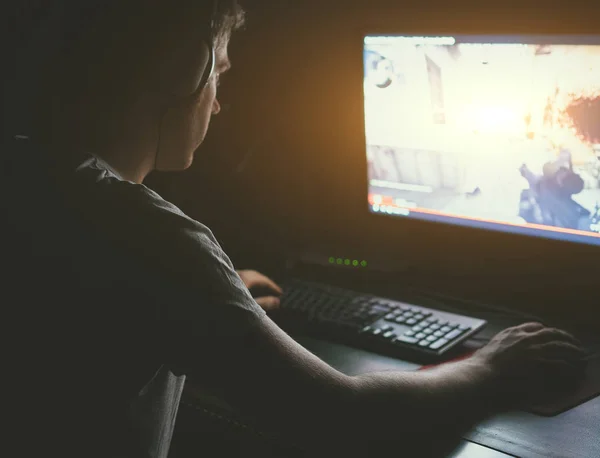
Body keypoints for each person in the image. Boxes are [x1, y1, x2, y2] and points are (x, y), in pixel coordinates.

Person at [3, 2, 588, 457]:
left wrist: (220, 296)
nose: (220, 105)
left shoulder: (30, 175)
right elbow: (345, 422)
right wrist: (489, 367)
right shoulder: (149, 238)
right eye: (219, 76)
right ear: (181, 78)